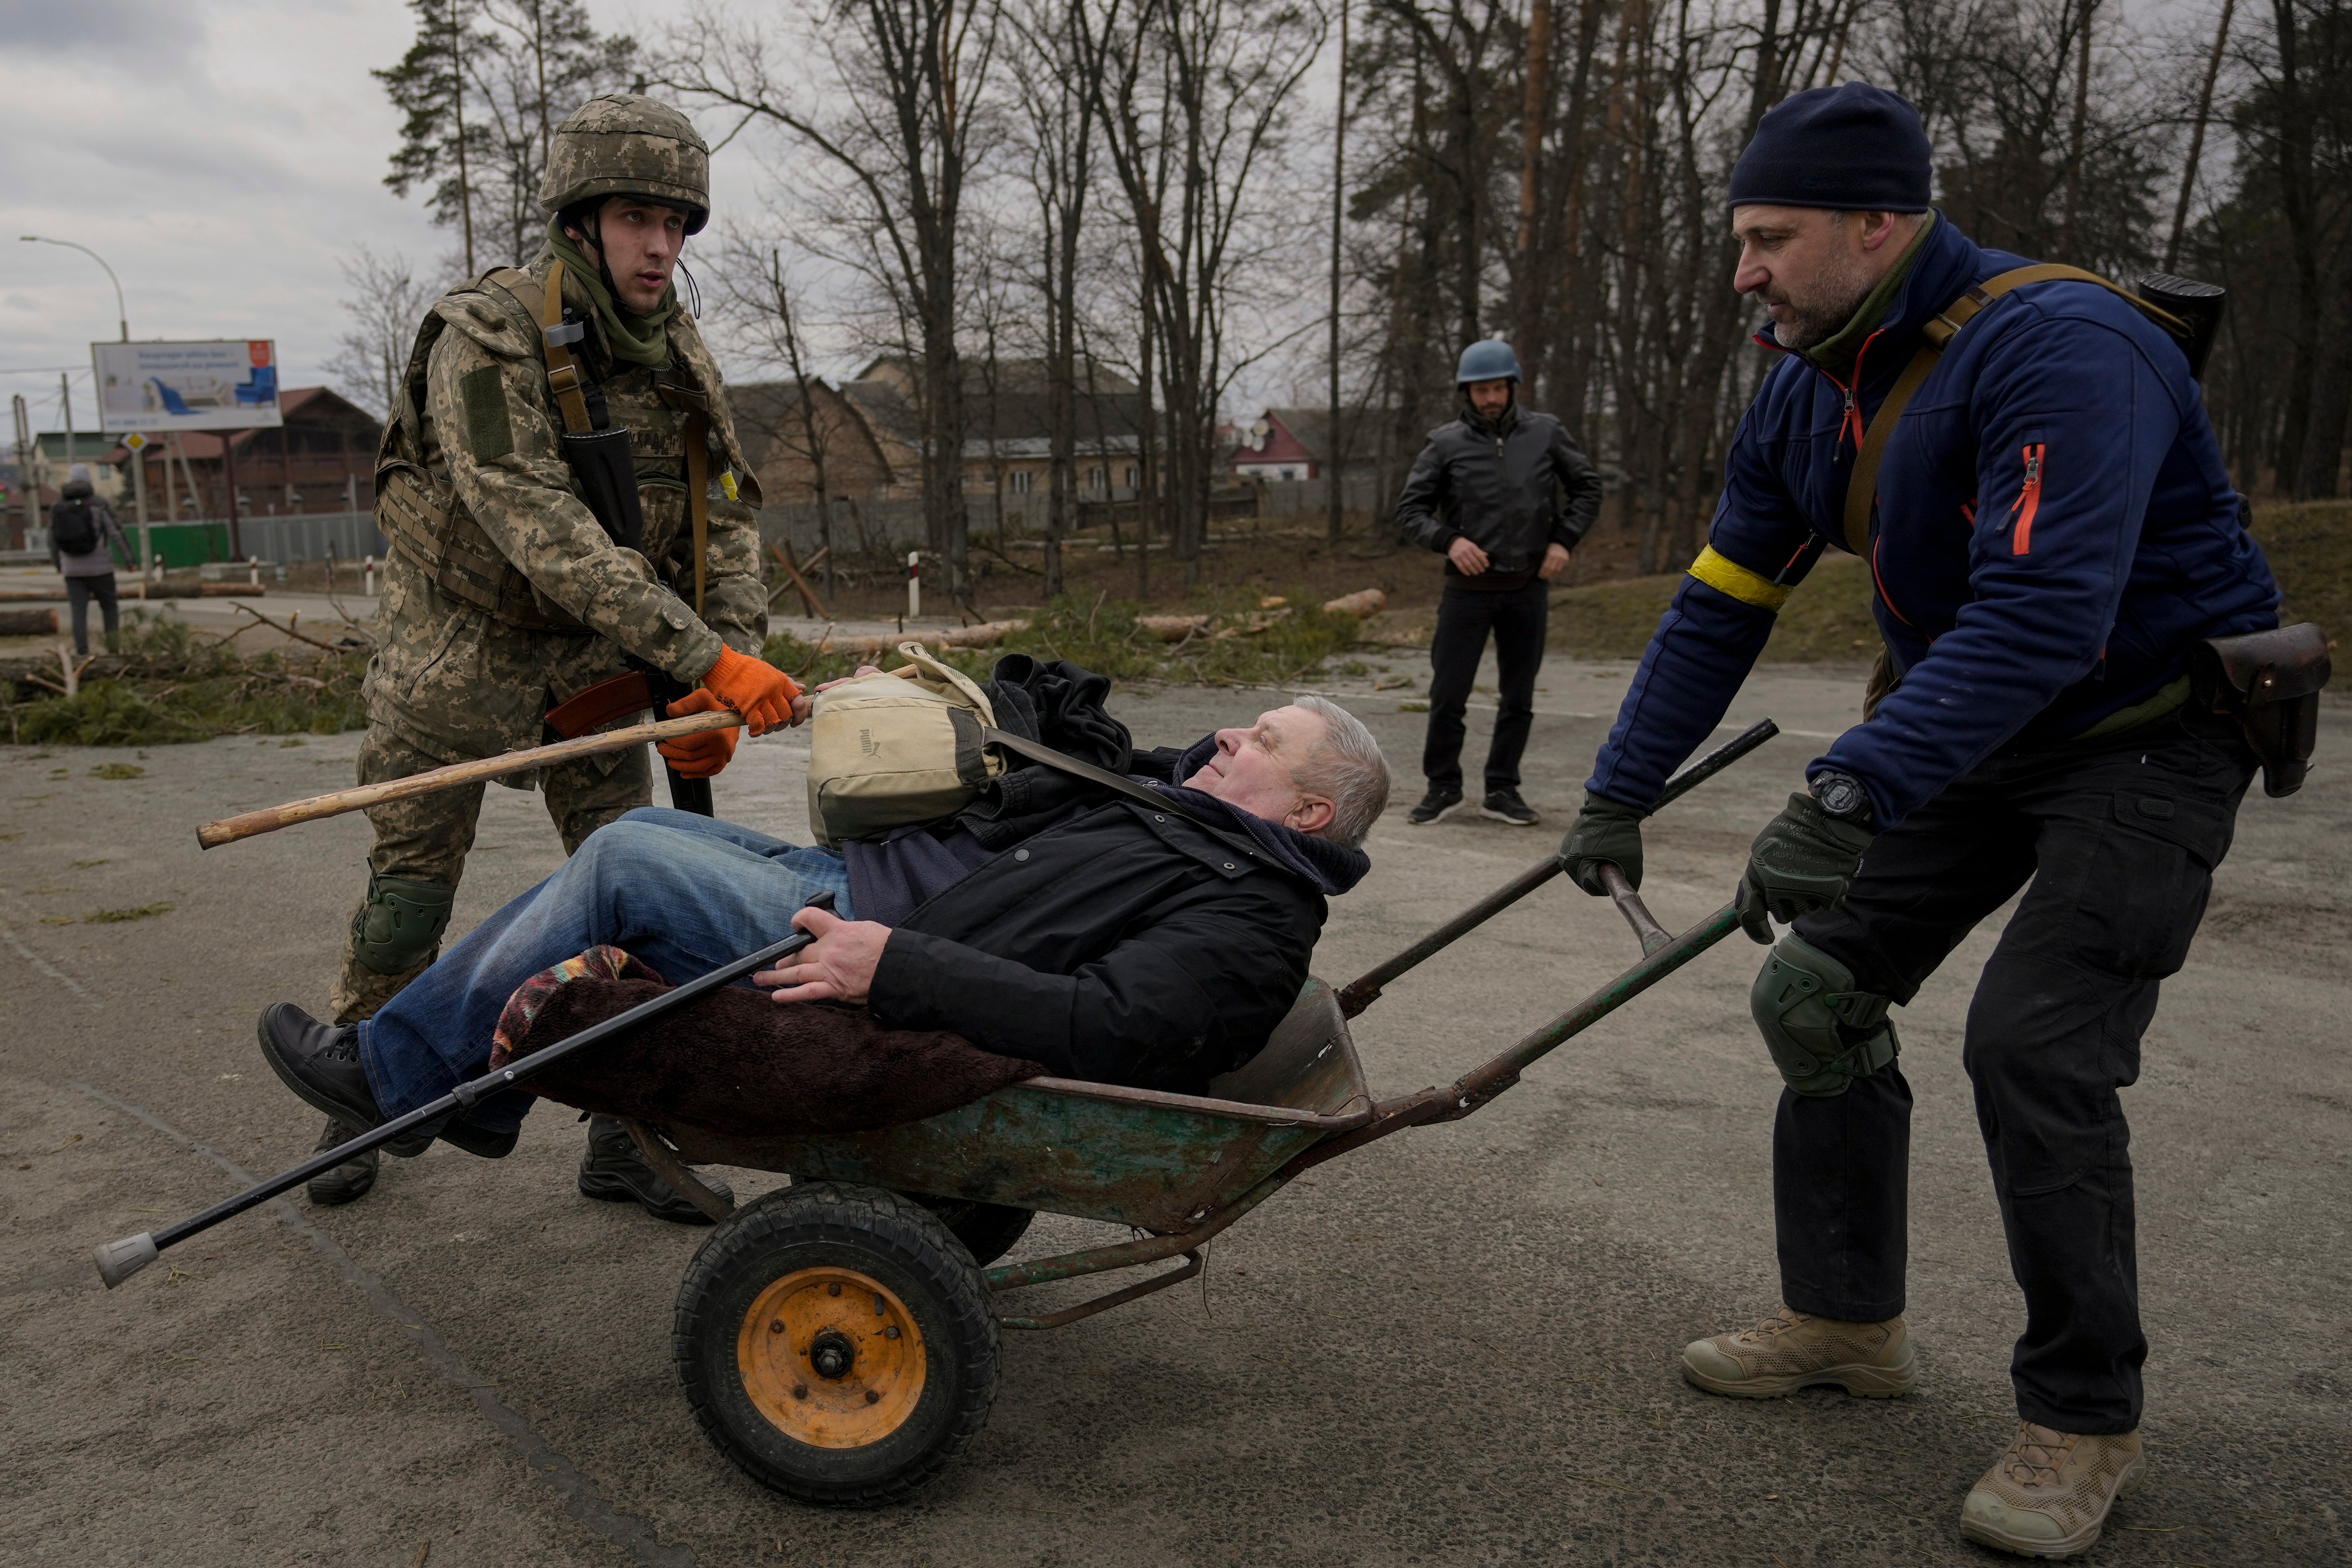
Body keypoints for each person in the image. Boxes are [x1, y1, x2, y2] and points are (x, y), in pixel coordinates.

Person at [1555, 84, 2280, 1559]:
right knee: (1814, 991)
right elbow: (1719, 603)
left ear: (1875, 225)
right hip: (1987, 727)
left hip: (2145, 736)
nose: (1742, 269)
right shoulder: (1805, 382)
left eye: (1771, 238)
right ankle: (1843, 1320)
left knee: (2032, 1043)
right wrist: (1618, 783)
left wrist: (1849, 784)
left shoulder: (2064, 348)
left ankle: (2082, 1416)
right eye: (1740, 238)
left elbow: (2042, 615)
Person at [312, 92, 803, 1220]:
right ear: (579, 220)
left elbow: (723, 507)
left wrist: (729, 661)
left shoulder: (679, 349)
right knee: (409, 894)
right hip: (463, 651)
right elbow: (535, 520)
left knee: (635, 896)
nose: (662, 246)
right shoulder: (484, 334)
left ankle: (626, 1132)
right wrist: (697, 654)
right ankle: (356, 1095)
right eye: (639, 217)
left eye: (679, 224)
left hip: (599, 657)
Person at [254, 696, 1391, 1153]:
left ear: (1309, 811)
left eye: (1261, 740)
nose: (1229, 738)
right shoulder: (1193, 812)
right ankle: (466, 1098)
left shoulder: (1253, 913)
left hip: (870, 930)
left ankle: (394, 1084)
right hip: (862, 881)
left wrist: (892, 967)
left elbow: (1117, 1025)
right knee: (641, 840)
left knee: (619, 857)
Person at [1395, 340, 1602, 828]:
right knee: (1449, 695)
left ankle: (1502, 789)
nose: (1490, 398)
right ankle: (1442, 787)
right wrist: (1449, 541)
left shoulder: (1546, 433)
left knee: (1519, 697)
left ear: (1512, 387)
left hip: (1527, 587)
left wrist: (1563, 541)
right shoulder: (1444, 443)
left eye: (1497, 388)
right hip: (1466, 593)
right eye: (1480, 390)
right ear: (1466, 393)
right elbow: (1410, 510)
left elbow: (1588, 487)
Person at [49, 465, 131, 655]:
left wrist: (58, 564)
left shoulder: (58, 506)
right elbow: (115, 532)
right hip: (101, 568)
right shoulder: (99, 504)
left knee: (78, 612)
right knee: (110, 607)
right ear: (89, 481)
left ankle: (82, 653)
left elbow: (52, 539)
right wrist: (130, 561)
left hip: (72, 570)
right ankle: (113, 650)